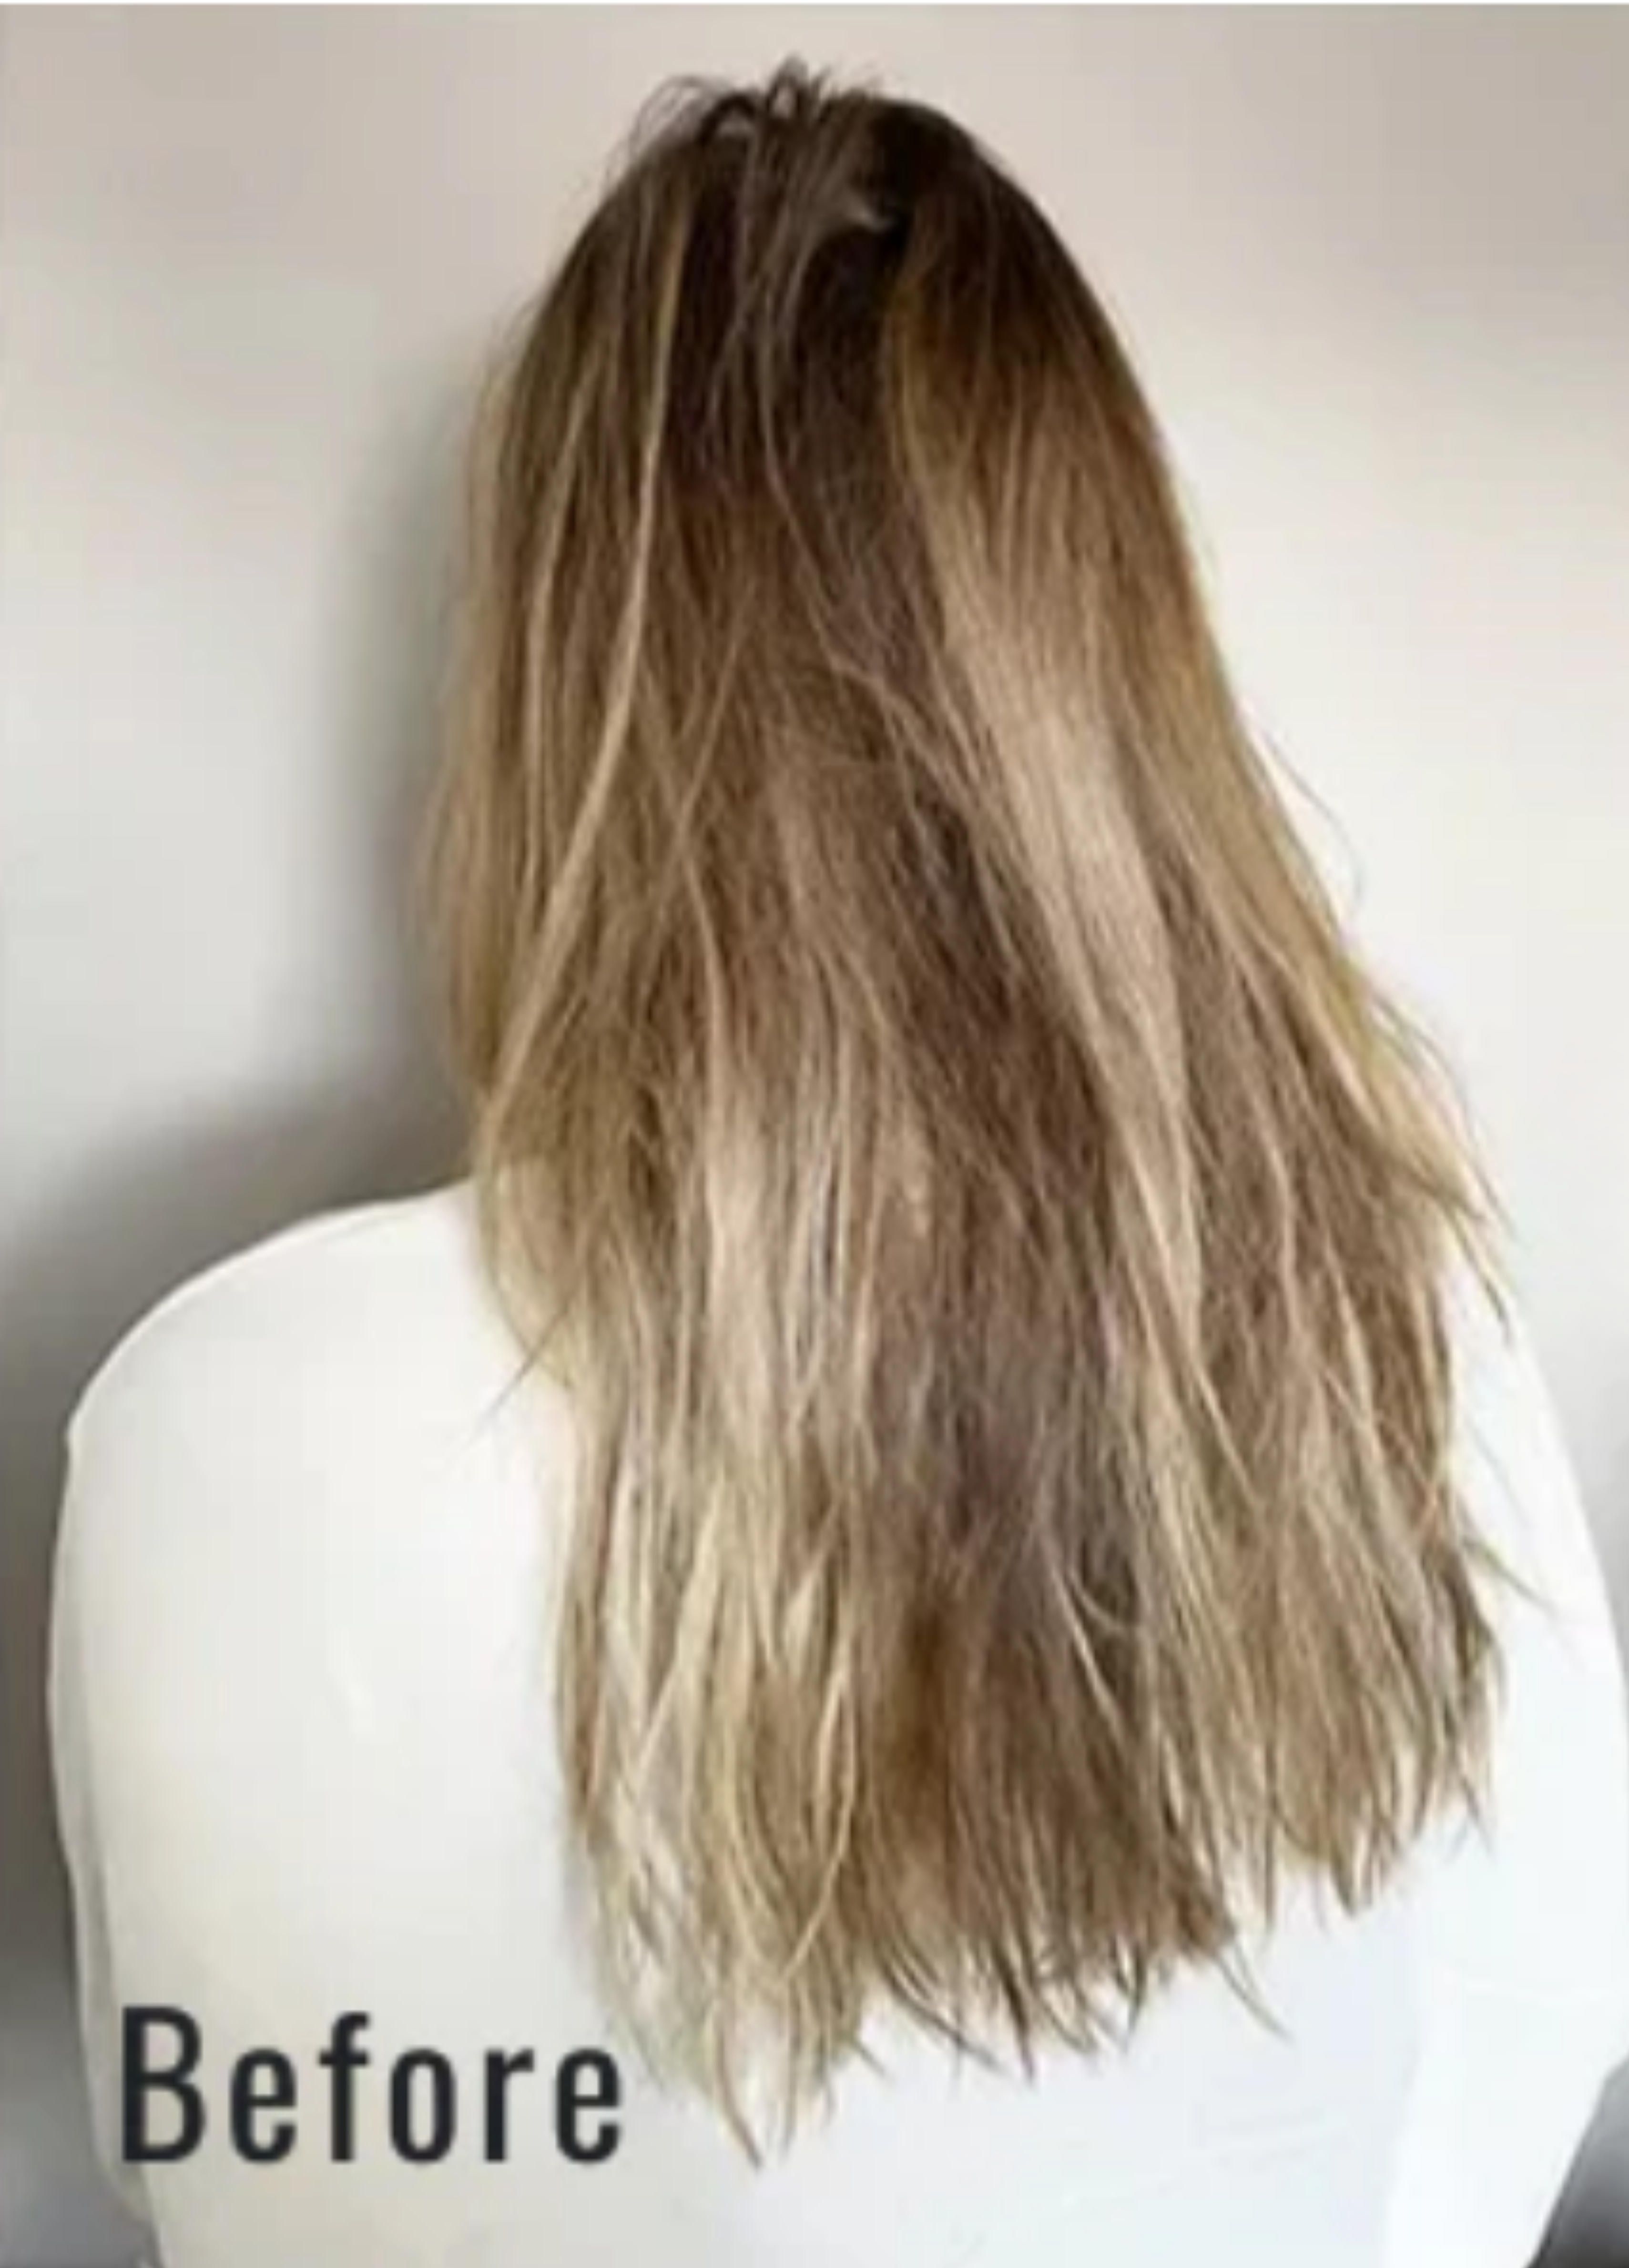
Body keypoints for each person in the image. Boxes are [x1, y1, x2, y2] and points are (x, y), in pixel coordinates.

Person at [50, 63, 1629, 2268]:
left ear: (564, 673)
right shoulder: (1404, 1319)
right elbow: (1522, 2066)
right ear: (1119, 639)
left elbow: (231, 2158)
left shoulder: (224, 1420)